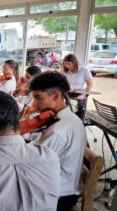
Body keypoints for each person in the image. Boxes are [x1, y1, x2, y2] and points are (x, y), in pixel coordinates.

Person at [29, 71, 87, 211]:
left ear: (55, 95)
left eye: (38, 98)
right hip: (64, 185)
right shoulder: (69, 118)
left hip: (60, 195)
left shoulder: (59, 130)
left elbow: (31, 162)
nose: (35, 104)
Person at [61, 54, 93, 120]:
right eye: (65, 64)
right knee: (63, 107)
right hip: (67, 93)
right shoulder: (64, 71)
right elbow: (60, 83)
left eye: (69, 64)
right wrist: (66, 87)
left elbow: (90, 85)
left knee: (80, 107)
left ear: (75, 62)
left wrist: (84, 95)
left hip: (80, 93)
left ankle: (80, 123)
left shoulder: (84, 70)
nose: (67, 66)